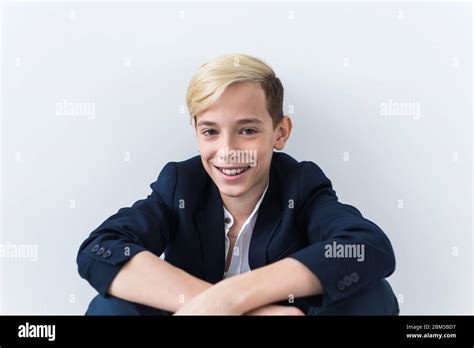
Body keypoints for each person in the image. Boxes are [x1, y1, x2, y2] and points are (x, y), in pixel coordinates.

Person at [78, 53, 399, 316]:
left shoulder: (301, 186)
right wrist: (217, 303)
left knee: (371, 295)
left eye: (247, 130)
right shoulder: (180, 184)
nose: (228, 150)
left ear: (280, 132)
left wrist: (237, 295)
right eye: (211, 131)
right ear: (196, 134)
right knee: (109, 308)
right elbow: (99, 249)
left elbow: (366, 248)